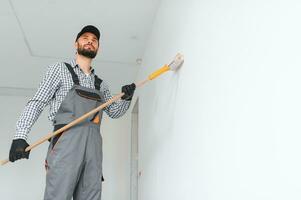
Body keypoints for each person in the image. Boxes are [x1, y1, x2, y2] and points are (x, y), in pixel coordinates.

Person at [8, 25, 136, 200]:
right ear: (76, 44)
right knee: (58, 196)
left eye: (94, 40)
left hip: (93, 148)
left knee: (91, 195)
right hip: (65, 143)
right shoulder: (59, 70)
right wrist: (20, 136)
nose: (90, 41)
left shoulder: (101, 84)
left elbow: (114, 112)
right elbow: (37, 103)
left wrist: (126, 98)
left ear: (98, 48)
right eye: (85, 38)